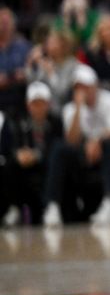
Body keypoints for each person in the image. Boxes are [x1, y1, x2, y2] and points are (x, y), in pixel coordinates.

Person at [43, 64, 110, 226]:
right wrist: (78, 109)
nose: (83, 91)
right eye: (78, 88)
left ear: (95, 85)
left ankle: (109, 205)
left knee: (108, 145)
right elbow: (72, 140)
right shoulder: (70, 109)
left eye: (86, 87)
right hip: (85, 155)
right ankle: (52, 206)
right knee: (59, 148)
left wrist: (96, 141)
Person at [1, 82, 60, 227]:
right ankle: (14, 208)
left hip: (46, 168)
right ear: (28, 105)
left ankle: (50, 207)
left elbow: (57, 149)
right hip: (21, 169)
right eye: (35, 103)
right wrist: (18, 155)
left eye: (42, 103)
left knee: (57, 163)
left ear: (48, 104)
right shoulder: (15, 121)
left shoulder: (56, 122)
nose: (39, 108)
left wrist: (37, 155)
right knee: (9, 164)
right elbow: (5, 148)